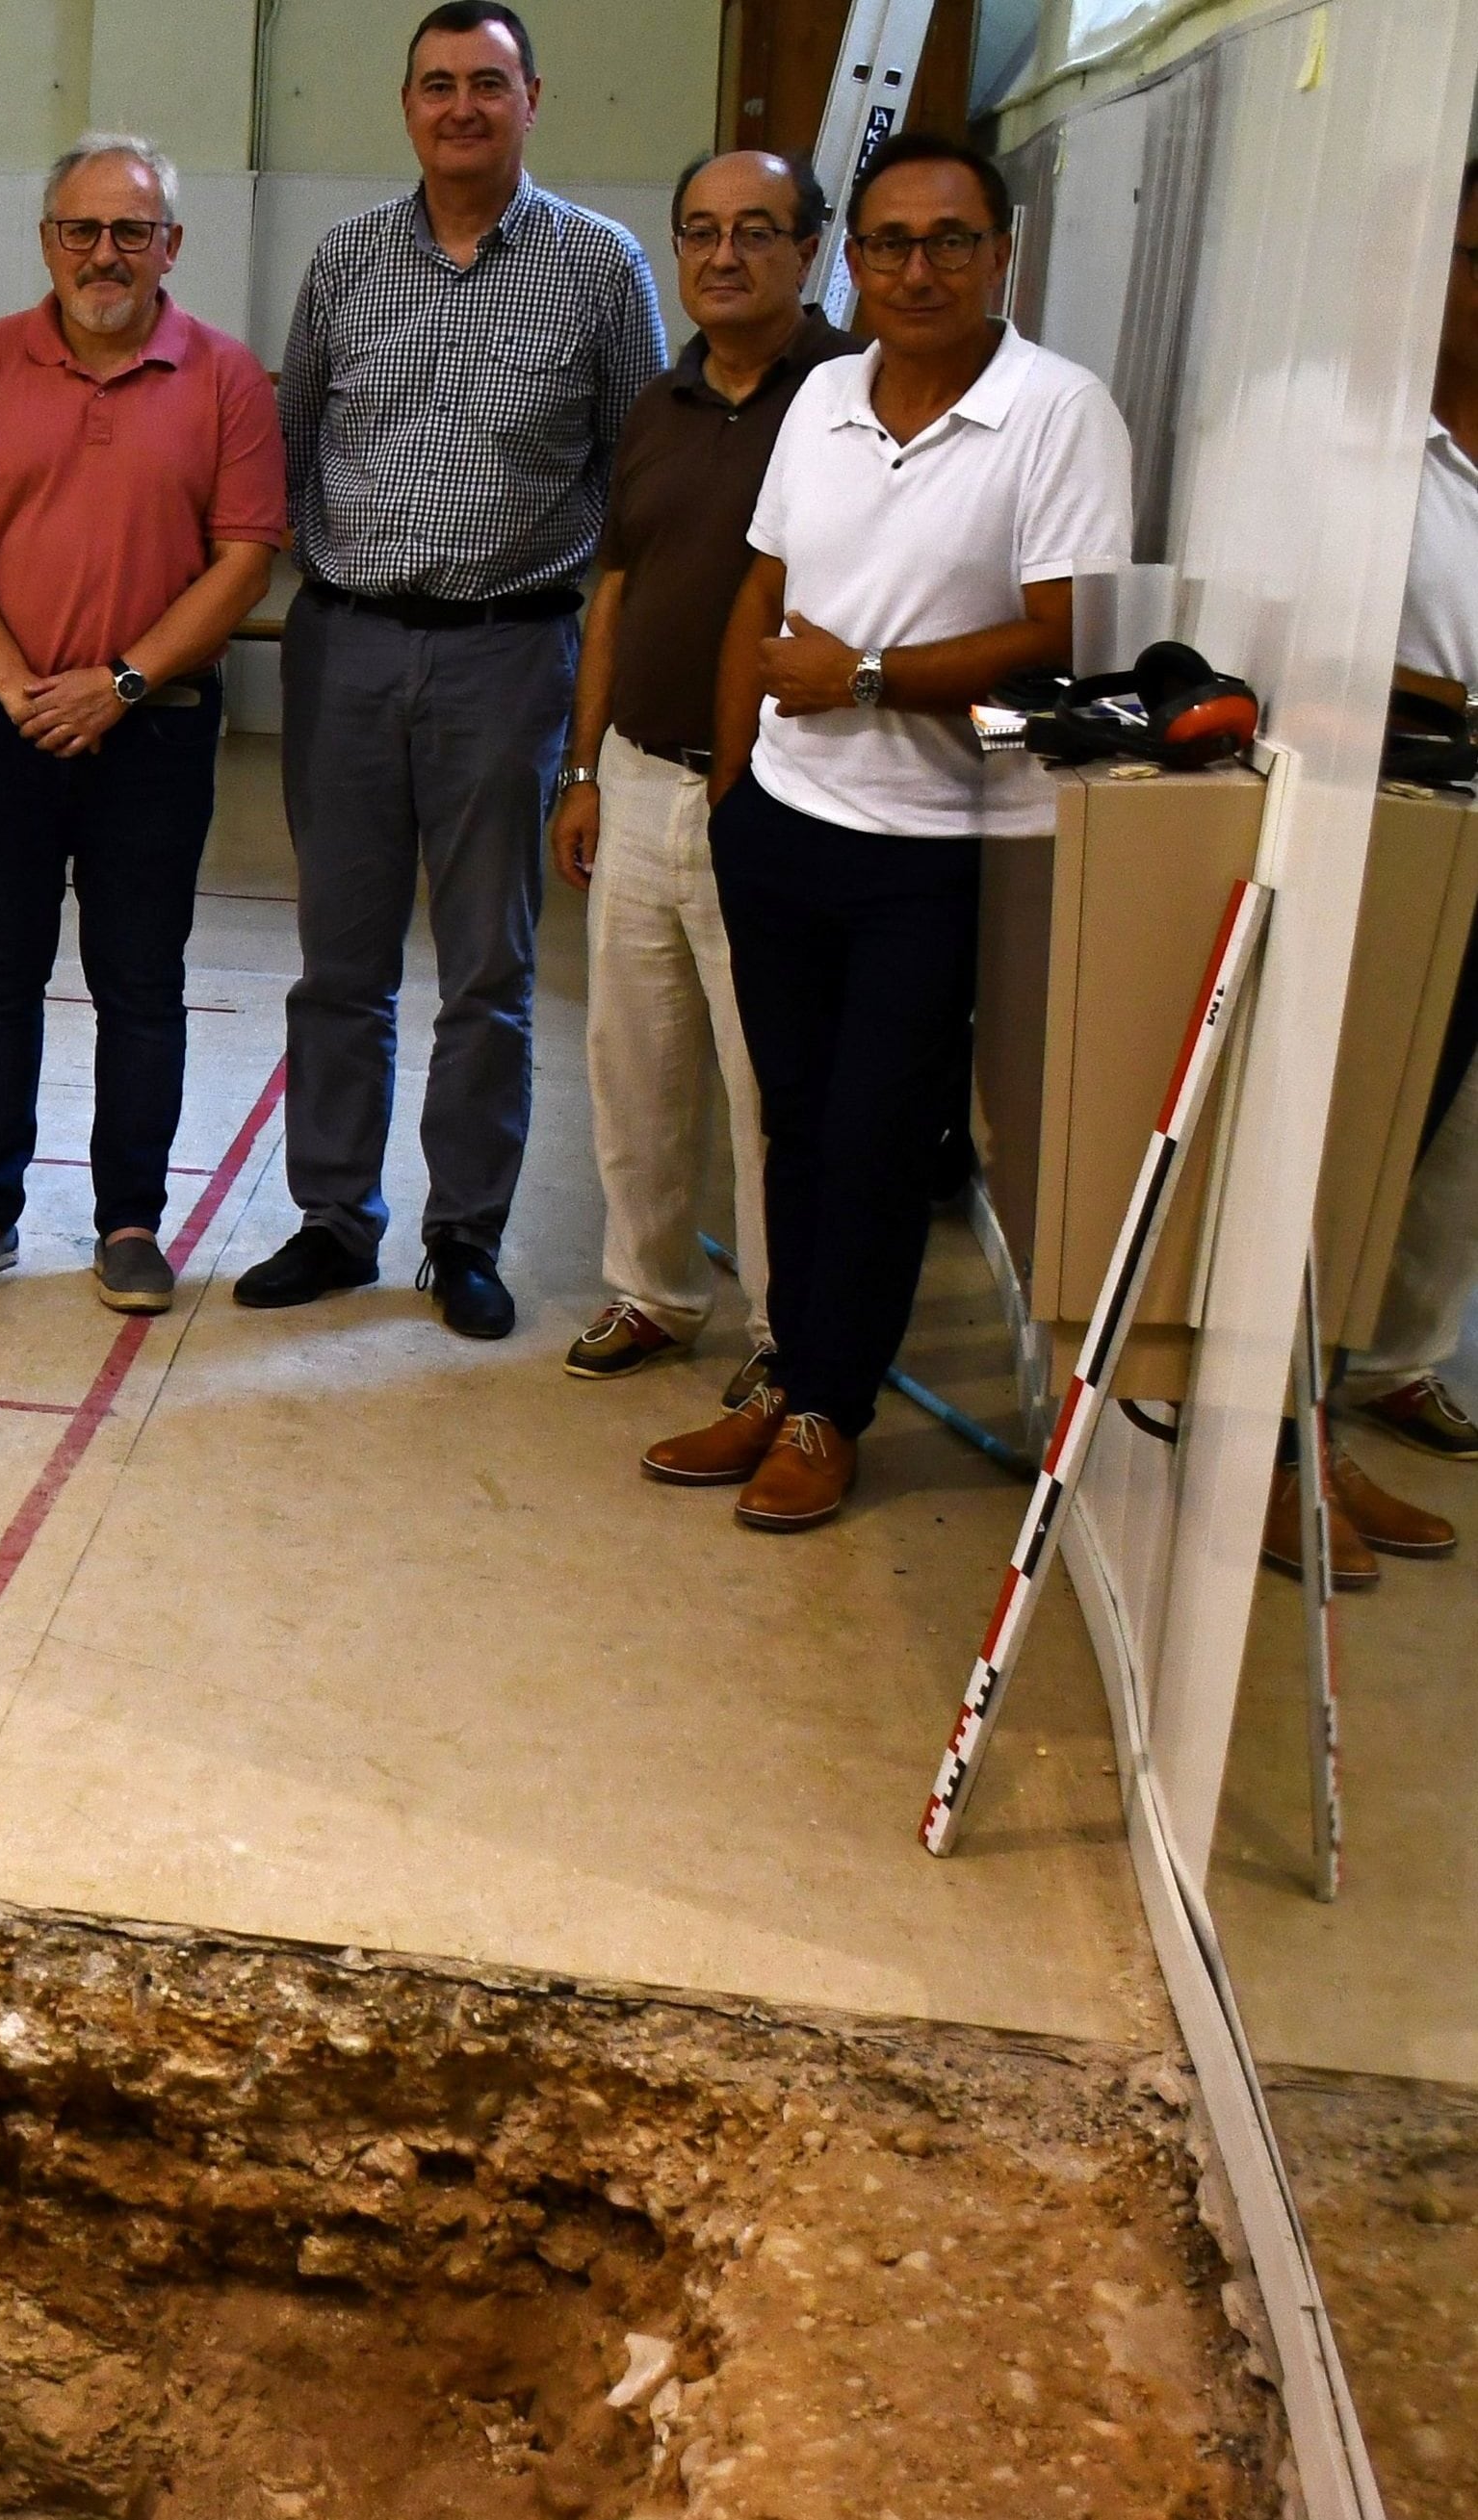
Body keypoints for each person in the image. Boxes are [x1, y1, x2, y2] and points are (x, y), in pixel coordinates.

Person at [655, 133, 1131, 1532]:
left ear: (1002, 256)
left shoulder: (1057, 411)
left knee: (871, 1138)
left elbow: (1066, 634)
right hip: (785, 826)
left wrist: (862, 677)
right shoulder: (823, 398)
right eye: (888, 243)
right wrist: (739, 782)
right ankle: (783, 1370)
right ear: (848, 260)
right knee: (786, 1121)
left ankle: (827, 1411)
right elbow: (764, 589)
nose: (916, 268)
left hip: (942, 848)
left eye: (949, 241)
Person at [243, 1, 666, 1340]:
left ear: (530, 99)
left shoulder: (599, 269)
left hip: (509, 652)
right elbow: (293, 437)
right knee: (338, 959)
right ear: (407, 105)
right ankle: (330, 1220)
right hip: (348, 648)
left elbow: (634, 480)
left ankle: (462, 1234)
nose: (461, 108)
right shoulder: (345, 260)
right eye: (437, 86)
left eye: (487, 84)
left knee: (487, 963)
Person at [0, 133, 284, 1309]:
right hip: (0, 726)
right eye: (82, 229)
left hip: (153, 733)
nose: (104, 253)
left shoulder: (224, 378)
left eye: (130, 231)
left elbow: (243, 560)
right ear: (47, 240)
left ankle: (129, 1223)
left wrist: (115, 683)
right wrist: (15, 685)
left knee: (140, 982)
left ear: (171, 245)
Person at [549, 150, 850, 1393]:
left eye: (754, 232)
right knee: (634, 1063)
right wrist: (579, 766)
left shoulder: (848, 399)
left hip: (776, 790)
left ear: (806, 248)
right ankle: (654, 1292)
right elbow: (611, 591)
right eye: (698, 232)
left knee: (767, 1086)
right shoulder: (658, 405)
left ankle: (788, 1336)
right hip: (634, 780)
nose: (721, 256)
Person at [1314, 162, 1478, 1554]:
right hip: (1396, 800)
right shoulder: (1355, 442)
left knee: (1459, 1133)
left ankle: (1397, 1360)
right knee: (1368, 1121)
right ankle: (1295, 1424)